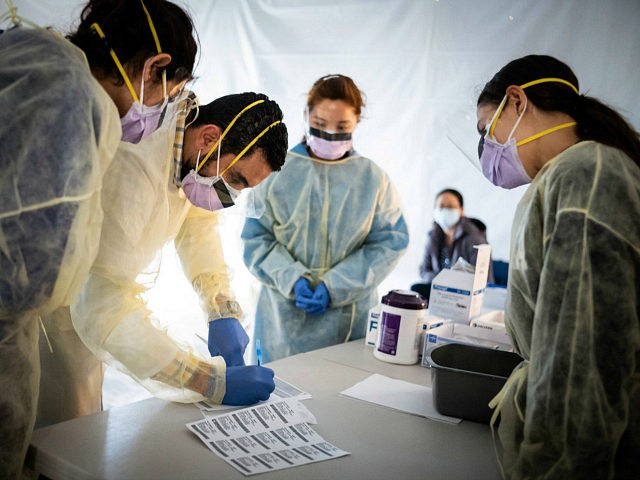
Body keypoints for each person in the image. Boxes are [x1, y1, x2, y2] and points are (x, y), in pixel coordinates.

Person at [0, 0, 197, 475]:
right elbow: (39, 269)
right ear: (155, 66)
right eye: (168, 97)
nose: (158, 113)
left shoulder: (26, 54)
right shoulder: (79, 97)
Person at [475, 55, 640, 478]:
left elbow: (580, 361)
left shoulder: (588, 174)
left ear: (516, 100)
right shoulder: (575, 173)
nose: (487, 150)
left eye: (485, 130)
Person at [241, 74, 409, 363]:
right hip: (282, 320)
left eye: (342, 127)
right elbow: (256, 239)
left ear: (357, 121)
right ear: (306, 116)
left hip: (348, 322)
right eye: (320, 125)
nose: (331, 135)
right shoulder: (274, 174)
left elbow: (388, 244)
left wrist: (336, 285)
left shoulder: (373, 180)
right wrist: (292, 279)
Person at [411, 188, 493, 301]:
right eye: (441, 206)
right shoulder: (433, 236)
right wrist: (441, 282)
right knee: (416, 290)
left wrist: (449, 284)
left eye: (450, 207)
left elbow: (482, 281)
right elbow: (424, 270)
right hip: (440, 292)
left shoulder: (475, 239)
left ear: (461, 210)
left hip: (465, 296)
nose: (445, 210)